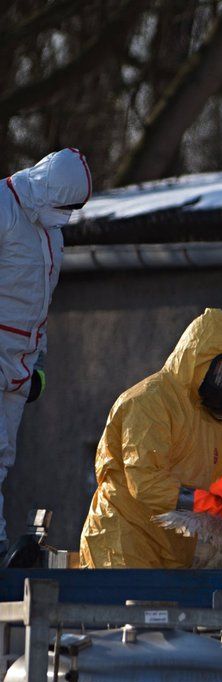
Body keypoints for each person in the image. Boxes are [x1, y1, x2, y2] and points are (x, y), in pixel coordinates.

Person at [80, 308, 222, 568]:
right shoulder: (148, 402)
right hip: (122, 544)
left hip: (174, 551)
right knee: (126, 609)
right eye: (221, 369)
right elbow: (145, 481)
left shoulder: (213, 423)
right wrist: (208, 504)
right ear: (198, 361)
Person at [0, 149, 91, 546]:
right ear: (49, 188)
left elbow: (40, 304)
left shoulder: (51, 233)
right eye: (65, 204)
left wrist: (38, 364)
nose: (66, 215)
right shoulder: (3, 207)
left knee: (2, 459)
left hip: (18, 363)